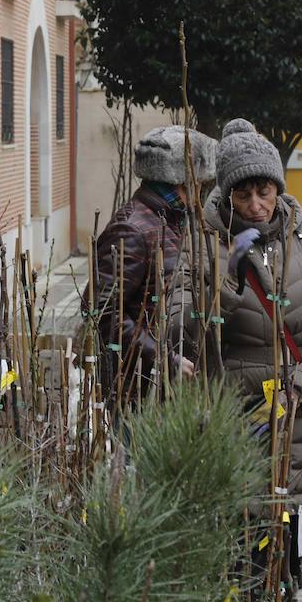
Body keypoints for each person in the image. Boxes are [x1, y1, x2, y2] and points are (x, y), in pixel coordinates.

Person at [170, 120, 302, 512]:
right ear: (226, 194)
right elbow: (179, 327)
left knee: (297, 535)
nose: (256, 205)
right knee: (243, 531)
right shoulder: (201, 245)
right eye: (243, 194)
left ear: (278, 190)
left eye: (264, 192)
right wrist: (228, 283)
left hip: (298, 418)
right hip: (235, 417)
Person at [86, 124, 217, 403]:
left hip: (165, 382)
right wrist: (164, 360)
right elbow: (102, 312)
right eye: (200, 185)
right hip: (139, 388)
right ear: (185, 182)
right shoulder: (132, 229)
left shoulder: (170, 220)